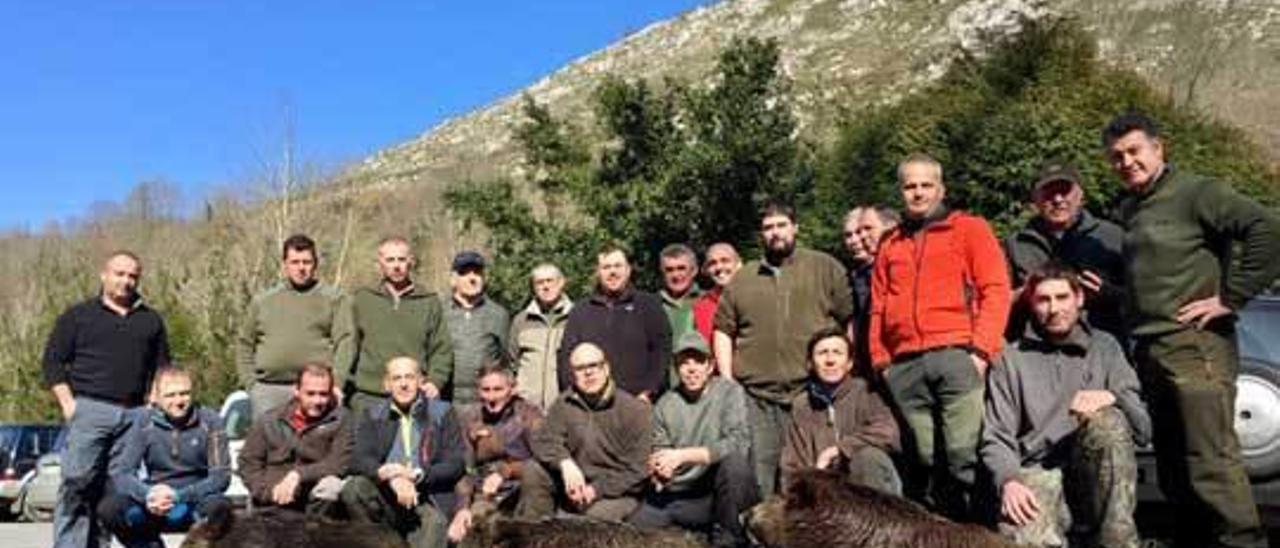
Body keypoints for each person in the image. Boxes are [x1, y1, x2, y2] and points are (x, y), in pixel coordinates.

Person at [1104, 112, 1280, 548]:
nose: (1127, 162)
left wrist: (1231, 297)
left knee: (1211, 462)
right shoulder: (1132, 208)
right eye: (1117, 157)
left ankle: (1244, 541)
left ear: (1158, 148)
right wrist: (1112, 292)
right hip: (1151, 348)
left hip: (1196, 347)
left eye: (1134, 151)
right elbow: (1156, 279)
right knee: (1173, 466)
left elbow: (1267, 229)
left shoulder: (1198, 193)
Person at [869, 153, 1011, 519]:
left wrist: (980, 351)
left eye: (925, 185)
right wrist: (882, 362)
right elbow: (879, 307)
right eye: (909, 186)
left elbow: (994, 290)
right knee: (928, 458)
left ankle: (984, 535)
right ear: (901, 191)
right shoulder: (890, 243)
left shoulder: (970, 229)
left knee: (964, 455)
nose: (917, 193)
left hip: (956, 356)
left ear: (940, 188)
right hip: (905, 366)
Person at [982, 263, 1151, 547]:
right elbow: (997, 434)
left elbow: (1143, 428)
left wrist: (1113, 397)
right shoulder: (1010, 358)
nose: (1054, 309)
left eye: (1062, 298)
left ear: (1079, 299)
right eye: (1043, 300)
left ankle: (1117, 541)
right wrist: (1008, 480)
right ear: (1031, 304)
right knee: (1023, 533)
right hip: (1039, 469)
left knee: (1108, 423)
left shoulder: (1105, 347)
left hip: (1096, 471)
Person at [714, 199, 853, 496]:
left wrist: (846, 368)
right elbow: (723, 329)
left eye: (781, 225)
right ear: (760, 235)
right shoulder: (744, 278)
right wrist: (727, 380)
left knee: (811, 470)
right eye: (768, 228)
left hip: (811, 392)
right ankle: (763, 535)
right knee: (761, 472)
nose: (775, 233)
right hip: (757, 396)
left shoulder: (824, 267)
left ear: (795, 228)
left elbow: (849, 319)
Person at [43, 250, 171, 548]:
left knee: (114, 493)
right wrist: (69, 405)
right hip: (90, 411)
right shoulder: (78, 316)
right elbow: (52, 361)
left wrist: (151, 403)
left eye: (133, 276)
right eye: (120, 274)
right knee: (77, 485)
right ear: (104, 274)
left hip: (135, 414)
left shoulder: (150, 320)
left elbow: (162, 367)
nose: (126, 281)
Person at [629, 332, 757, 547]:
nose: (691, 369)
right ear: (676, 368)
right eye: (683, 362)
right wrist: (661, 471)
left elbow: (739, 443)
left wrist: (685, 455)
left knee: (735, 465)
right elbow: (661, 450)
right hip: (681, 495)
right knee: (634, 531)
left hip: (719, 494)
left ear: (710, 365)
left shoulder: (729, 393)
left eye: (698, 361)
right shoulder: (666, 404)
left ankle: (729, 539)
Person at [99, 367, 231, 548]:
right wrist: (148, 494)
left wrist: (179, 496)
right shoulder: (144, 423)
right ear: (157, 397)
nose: (179, 401)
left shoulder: (211, 421)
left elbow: (221, 477)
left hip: (194, 501)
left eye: (184, 394)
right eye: (171, 395)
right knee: (109, 509)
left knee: (221, 508)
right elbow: (123, 473)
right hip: (154, 501)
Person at [341, 356, 465, 548]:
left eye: (409, 377)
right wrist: (390, 474)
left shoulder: (442, 412)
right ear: (387, 384)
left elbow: (455, 463)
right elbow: (359, 458)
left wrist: (416, 474)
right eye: (397, 378)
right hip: (388, 495)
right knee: (354, 488)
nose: (404, 384)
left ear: (421, 382)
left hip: (426, 497)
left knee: (434, 529)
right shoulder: (373, 414)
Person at [523, 343, 652, 521]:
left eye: (593, 365)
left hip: (615, 493)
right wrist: (564, 462)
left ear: (606, 368)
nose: (588, 373)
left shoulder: (634, 410)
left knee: (592, 521)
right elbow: (543, 440)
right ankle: (535, 532)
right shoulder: (564, 404)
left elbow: (639, 470)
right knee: (533, 470)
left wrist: (597, 489)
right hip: (573, 485)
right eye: (580, 368)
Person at [1004, 163, 1126, 342]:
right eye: (1049, 193)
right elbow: (997, 304)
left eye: (1065, 190)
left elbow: (1142, 297)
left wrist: (1108, 293)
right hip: (1036, 350)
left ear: (1080, 195)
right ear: (1035, 199)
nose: (1058, 199)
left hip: (1103, 348)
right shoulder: (1016, 245)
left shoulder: (1113, 237)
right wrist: (1026, 294)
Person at [336, 236, 454, 417]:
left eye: (402, 259)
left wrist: (435, 381)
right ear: (379, 264)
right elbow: (348, 345)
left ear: (411, 262)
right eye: (390, 260)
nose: (396, 265)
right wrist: (338, 382)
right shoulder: (363, 298)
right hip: (369, 396)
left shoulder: (429, 301)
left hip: (413, 396)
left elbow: (441, 348)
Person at [237, 234, 347, 419]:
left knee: (319, 445)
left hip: (317, 392)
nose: (301, 268)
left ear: (316, 264)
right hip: (270, 391)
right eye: (295, 262)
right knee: (270, 446)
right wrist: (252, 385)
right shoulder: (263, 301)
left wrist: (337, 383)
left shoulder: (334, 299)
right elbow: (244, 343)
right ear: (285, 264)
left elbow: (345, 341)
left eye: (307, 262)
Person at [780, 327, 901, 495]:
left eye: (837, 352)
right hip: (826, 495)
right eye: (822, 353)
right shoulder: (802, 405)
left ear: (849, 363)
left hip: (867, 490)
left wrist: (839, 449)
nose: (830, 360)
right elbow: (792, 465)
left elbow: (888, 433)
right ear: (810, 363)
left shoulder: (868, 392)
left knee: (868, 457)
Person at [446, 362, 544, 544]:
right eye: (486, 390)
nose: (491, 397)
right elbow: (464, 468)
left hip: (523, 489)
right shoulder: (470, 418)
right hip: (484, 494)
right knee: (469, 531)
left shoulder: (530, 416)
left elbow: (542, 462)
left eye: (498, 389)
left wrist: (505, 471)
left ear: (512, 389)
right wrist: (462, 508)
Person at [558, 245, 671, 402]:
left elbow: (661, 354)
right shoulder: (581, 310)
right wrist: (575, 394)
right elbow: (567, 357)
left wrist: (650, 391)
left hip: (639, 402)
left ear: (628, 270)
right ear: (598, 272)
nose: (612, 272)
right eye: (606, 267)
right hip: (591, 404)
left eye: (618, 266)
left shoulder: (649, 305)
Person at [238, 363, 352, 516]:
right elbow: (248, 463)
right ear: (297, 391)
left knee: (331, 486)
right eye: (310, 394)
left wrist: (298, 475)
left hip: (315, 499)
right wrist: (268, 492)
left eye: (323, 394)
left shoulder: (341, 420)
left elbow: (339, 463)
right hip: (273, 498)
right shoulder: (269, 420)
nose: (317, 401)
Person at [442, 251, 510, 404]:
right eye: (464, 273)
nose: (472, 278)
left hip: (485, 400)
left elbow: (507, 360)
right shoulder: (439, 312)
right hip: (446, 399)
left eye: (477, 273)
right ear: (453, 279)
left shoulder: (498, 314)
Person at [509, 263, 574, 411]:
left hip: (564, 405)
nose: (545, 286)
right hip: (527, 406)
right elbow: (512, 363)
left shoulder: (577, 317)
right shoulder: (521, 320)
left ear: (561, 282)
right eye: (540, 282)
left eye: (550, 281)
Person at [844, 206, 899, 374]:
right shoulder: (852, 277)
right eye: (848, 235)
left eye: (860, 232)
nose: (855, 240)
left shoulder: (897, 268)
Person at [692, 243, 741, 349]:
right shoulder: (701, 306)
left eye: (725, 261)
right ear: (706, 269)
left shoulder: (754, 297)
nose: (719, 267)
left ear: (738, 264)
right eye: (712, 263)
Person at [658, 244, 702, 344]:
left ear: (694, 270)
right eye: (669, 270)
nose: (676, 275)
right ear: (662, 273)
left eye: (681, 268)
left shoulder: (708, 301)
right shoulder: (652, 305)